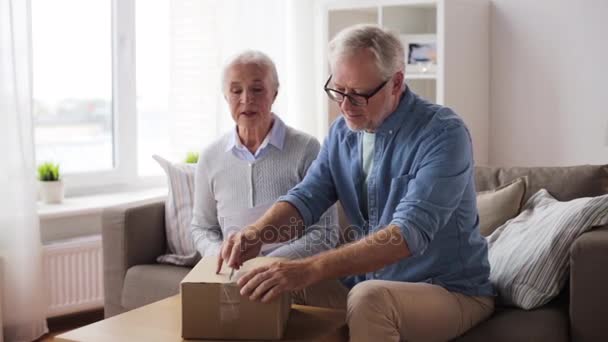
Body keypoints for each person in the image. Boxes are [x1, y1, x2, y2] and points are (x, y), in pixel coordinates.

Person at [217, 25, 495, 341]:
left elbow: (407, 234)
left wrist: (307, 269)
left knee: (368, 299)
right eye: (338, 90)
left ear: (397, 83)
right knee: (269, 282)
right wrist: (256, 234)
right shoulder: (342, 133)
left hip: (449, 291)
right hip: (368, 281)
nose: (345, 105)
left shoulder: (443, 134)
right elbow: (307, 198)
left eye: (358, 94)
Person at [190, 50, 339, 261]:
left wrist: (268, 265)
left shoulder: (307, 148)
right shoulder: (210, 157)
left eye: (257, 89)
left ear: (274, 93)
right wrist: (221, 255)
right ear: (225, 96)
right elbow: (202, 228)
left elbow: (325, 232)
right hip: (232, 273)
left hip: (292, 274)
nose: (246, 99)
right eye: (235, 91)